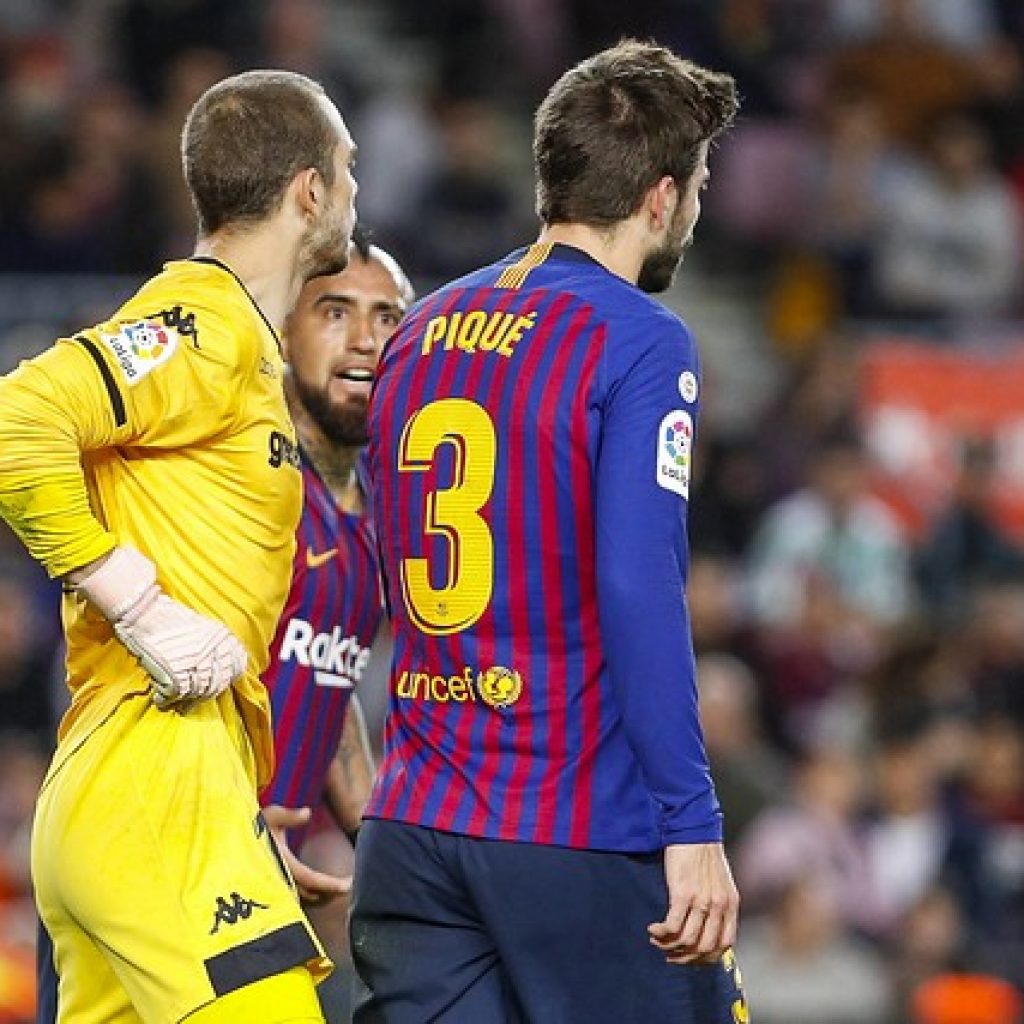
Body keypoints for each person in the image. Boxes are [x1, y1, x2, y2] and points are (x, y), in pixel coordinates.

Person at [353, 39, 746, 1023]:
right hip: (573, 829)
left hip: (410, 827)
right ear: (663, 196)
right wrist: (689, 822)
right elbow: (636, 583)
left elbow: (367, 553)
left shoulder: (419, 328)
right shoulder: (643, 339)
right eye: (696, 185)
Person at [0, 69, 356, 1024]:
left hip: (135, 791)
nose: (355, 192)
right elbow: (16, 418)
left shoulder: (236, 342)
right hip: (155, 780)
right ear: (310, 191)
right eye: (348, 170)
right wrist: (141, 605)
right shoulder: (203, 326)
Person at [260, 230, 414, 1022]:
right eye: (336, 312)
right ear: (282, 326)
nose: (365, 340)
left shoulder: (370, 513)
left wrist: (391, 854)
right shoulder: (247, 478)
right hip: (179, 852)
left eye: (388, 318)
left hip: (255, 873)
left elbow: (328, 678)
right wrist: (243, 830)